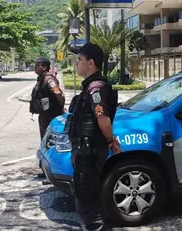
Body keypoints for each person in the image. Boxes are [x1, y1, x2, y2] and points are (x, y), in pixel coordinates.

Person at [66, 43, 122, 231]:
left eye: (79, 59)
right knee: (91, 198)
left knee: (87, 204)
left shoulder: (95, 88)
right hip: (86, 151)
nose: (76, 63)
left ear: (90, 63)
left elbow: (103, 119)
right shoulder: (90, 86)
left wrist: (109, 141)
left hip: (89, 153)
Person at [30, 57, 65, 178]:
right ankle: (46, 169)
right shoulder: (42, 79)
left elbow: (58, 94)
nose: (35, 67)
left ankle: (53, 170)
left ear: (44, 67)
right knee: (45, 142)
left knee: (50, 143)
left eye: (37, 65)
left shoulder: (48, 79)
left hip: (50, 116)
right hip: (45, 116)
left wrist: (60, 109)